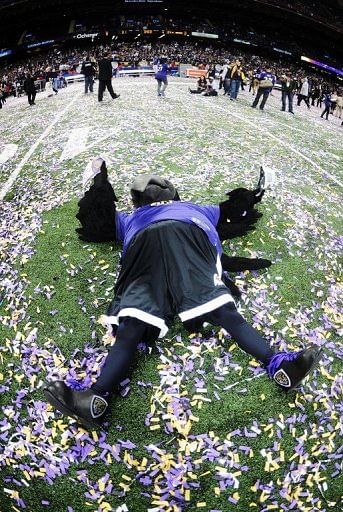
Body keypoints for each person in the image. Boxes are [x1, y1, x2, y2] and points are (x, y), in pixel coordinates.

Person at [44, 164, 322, 428]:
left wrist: (100, 182)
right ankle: (280, 367)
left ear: (137, 201)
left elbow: (100, 221)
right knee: (226, 314)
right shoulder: (194, 209)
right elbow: (231, 211)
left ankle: (96, 397)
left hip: (145, 244)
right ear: (174, 194)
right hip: (190, 237)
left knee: (132, 325)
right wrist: (256, 193)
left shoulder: (130, 218)